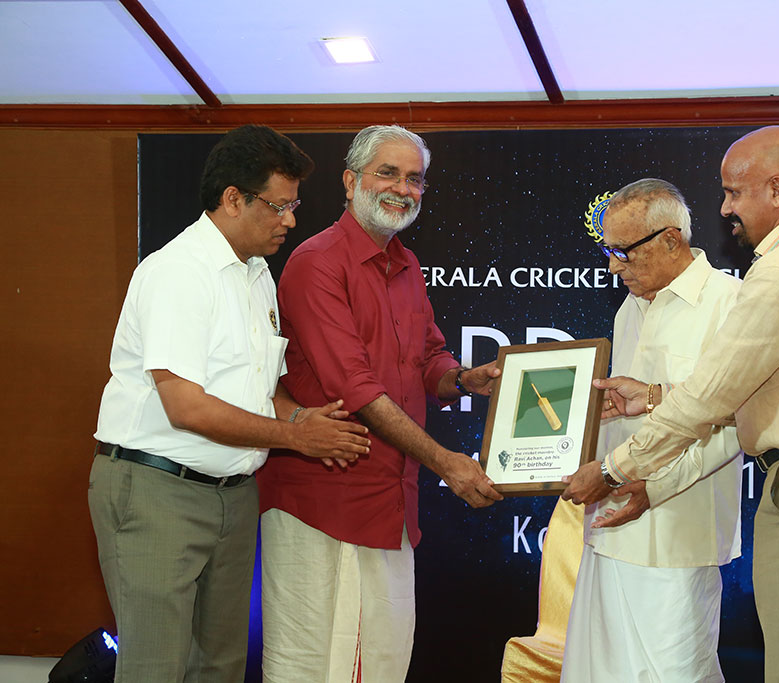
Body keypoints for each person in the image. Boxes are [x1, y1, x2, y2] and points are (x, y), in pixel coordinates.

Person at [562, 126, 779, 683]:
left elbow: (715, 397)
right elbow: (753, 389)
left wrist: (615, 471)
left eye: (733, 193)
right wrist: (653, 398)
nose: (724, 209)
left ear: (777, 189)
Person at [89, 124, 372, 683]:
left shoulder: (257, 274)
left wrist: (301, 417)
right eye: (279, 206)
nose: (290, 221)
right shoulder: (178, 272)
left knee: (219, 666)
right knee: (155, 669)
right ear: (233, 199)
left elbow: (259, 391)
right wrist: (295, 437)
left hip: (234, 495)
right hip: (157, 490)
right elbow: (186, 407)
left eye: (294, 206)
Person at [257, 124, 504, 683]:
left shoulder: (406, 264)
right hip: (323, 501)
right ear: (350, 182)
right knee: (313, 667)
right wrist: (445, 462)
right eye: (387, 173)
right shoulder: (317, 262)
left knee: (383, 663)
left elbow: (428, 358)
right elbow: (357, 388)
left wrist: (464, 380)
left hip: (391, 503)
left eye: (414, 179)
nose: (402, 188)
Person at [559, 179, 743, 683]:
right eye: (608, 251)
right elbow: (636, 410)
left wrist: (654, 486)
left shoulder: (730, 303)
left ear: (670, 239)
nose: (612, 267)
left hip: (678, 536)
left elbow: (736, 420)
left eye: (623, 252)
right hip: (610, 527)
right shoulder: (631, 307)